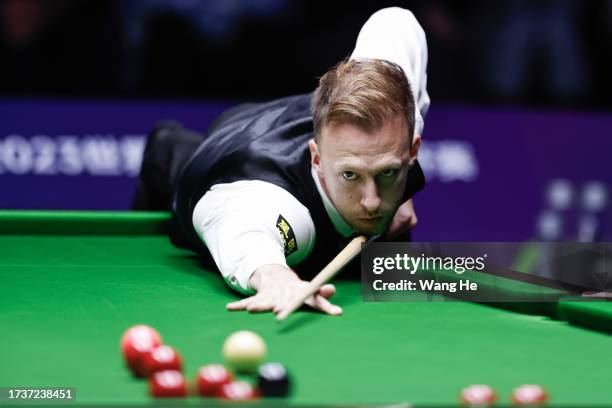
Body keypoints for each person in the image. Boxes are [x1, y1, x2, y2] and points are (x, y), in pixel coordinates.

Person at [132, 7, 430, 317]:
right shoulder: (277, 204)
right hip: (227, 149)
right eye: (351, 175)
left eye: (386, 172)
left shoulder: (390, 97)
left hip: (317, 123)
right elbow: (246, 235)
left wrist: (400, 175)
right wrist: (277, 279)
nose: (372, 202)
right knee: (170, 148)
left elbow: (395, 21)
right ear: (317, 158)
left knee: (431, 273)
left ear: (413, 150)